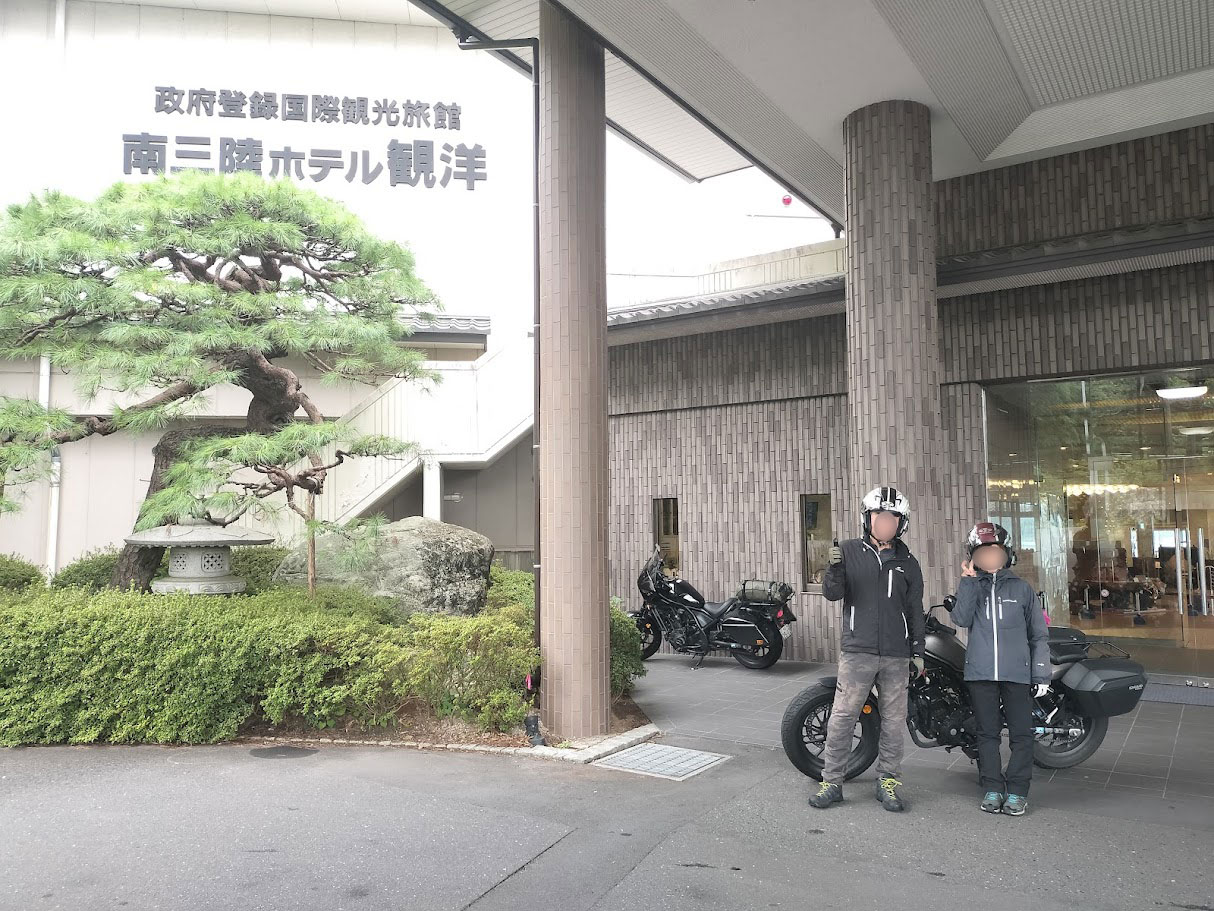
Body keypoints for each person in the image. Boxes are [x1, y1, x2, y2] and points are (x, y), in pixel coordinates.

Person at [809, 486, 925, 813]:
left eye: (892, 517)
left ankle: (887, 782)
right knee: (843, 717)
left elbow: (914, 609)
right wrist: (833, 569)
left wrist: (918, 651)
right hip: (857, 650)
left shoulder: (908, 562)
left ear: (901, 523)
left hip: (896, 654)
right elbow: (832, 594)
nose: (885, 522)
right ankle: (832, 782)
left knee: (893, 722)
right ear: (867, 518)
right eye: (879, 515)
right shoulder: (848, 551)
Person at [951, 522, 1050, 816]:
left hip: (1016, 673)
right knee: (987, 734)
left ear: (1007, 554)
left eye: (995, 551)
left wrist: (1041, 672)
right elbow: (960, 618)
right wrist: (967, 582)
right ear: (973, 557)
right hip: (981, 673)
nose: (990, 557)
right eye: (983, 553)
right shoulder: (973, 586)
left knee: (1021, 734)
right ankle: (992, 787)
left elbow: (1038, 634)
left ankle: (1017, 790)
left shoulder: (1022, 589)